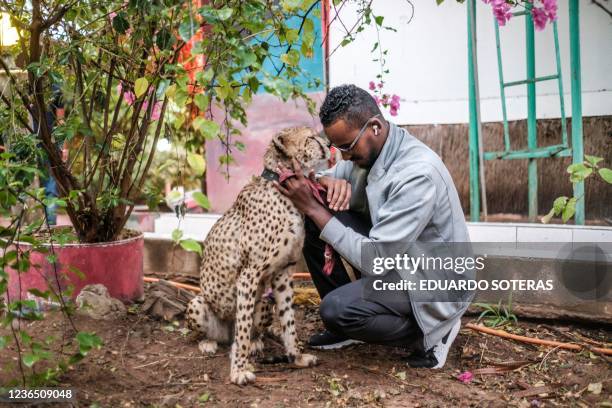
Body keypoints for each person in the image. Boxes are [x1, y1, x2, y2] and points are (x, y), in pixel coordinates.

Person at [274, 84, 473, 369]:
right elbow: (330, 179)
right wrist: (322, 181)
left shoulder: (417, 174)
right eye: (336, 147)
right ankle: (347, 331)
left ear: (375, 127)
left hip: (434, 281)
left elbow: (376, 260)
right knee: (313, 210)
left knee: (336, 309)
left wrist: (315, 208)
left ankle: (433, 332)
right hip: (401, 258)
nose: (343, 157)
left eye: (347, 147)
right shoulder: (367, 152)